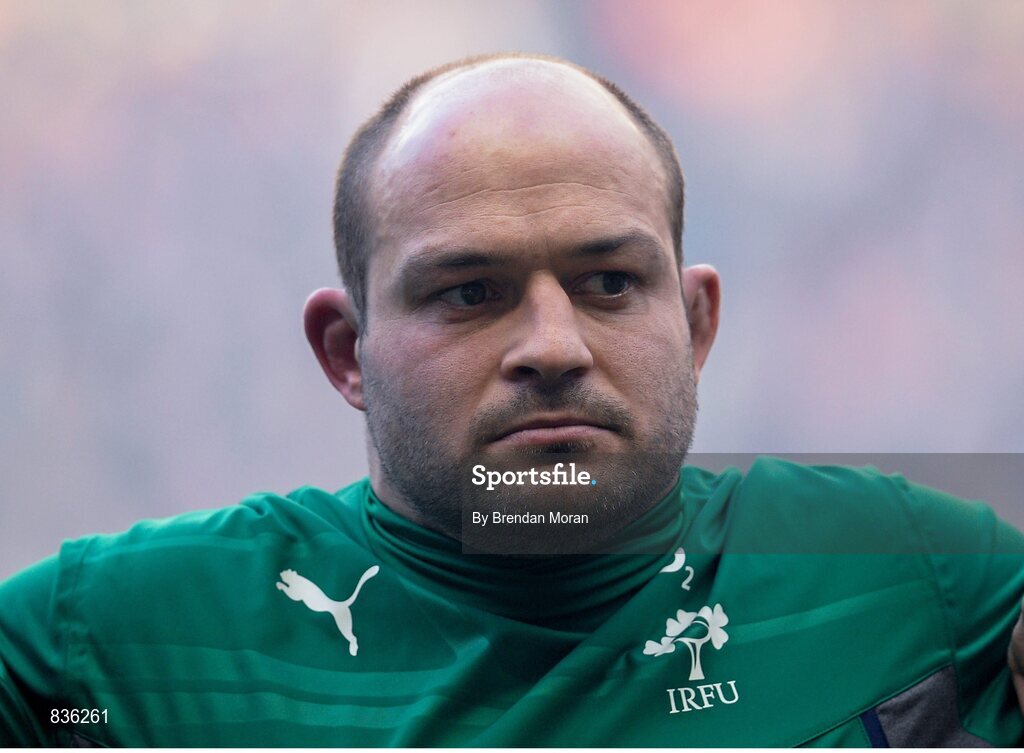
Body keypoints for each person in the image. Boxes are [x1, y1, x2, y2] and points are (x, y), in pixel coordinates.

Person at [1, 52, 1022, 747]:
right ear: (347, 352)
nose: (552, 347)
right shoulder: (122, 636)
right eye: (470, 293)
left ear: (697, 321)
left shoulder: (915, 577)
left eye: (609, 282)